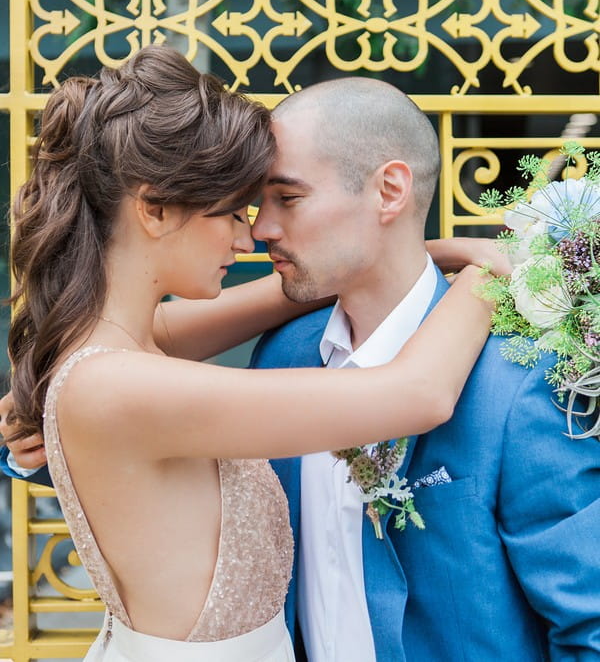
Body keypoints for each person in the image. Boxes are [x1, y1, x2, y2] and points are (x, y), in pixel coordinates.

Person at [1, 47, 495, 662]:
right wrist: (494, 272)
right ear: (154, 209)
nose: (251, 235)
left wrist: (426, 253)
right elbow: (417, 393)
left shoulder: (120, 340)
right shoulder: (117, 383)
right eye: (234, 212)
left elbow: (275, 298)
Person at [246, 77, 600, 662]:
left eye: (289, 197)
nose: (262, 228)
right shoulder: (281, 355)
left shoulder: (519, 384)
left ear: (390, 191)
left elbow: (589, 625)